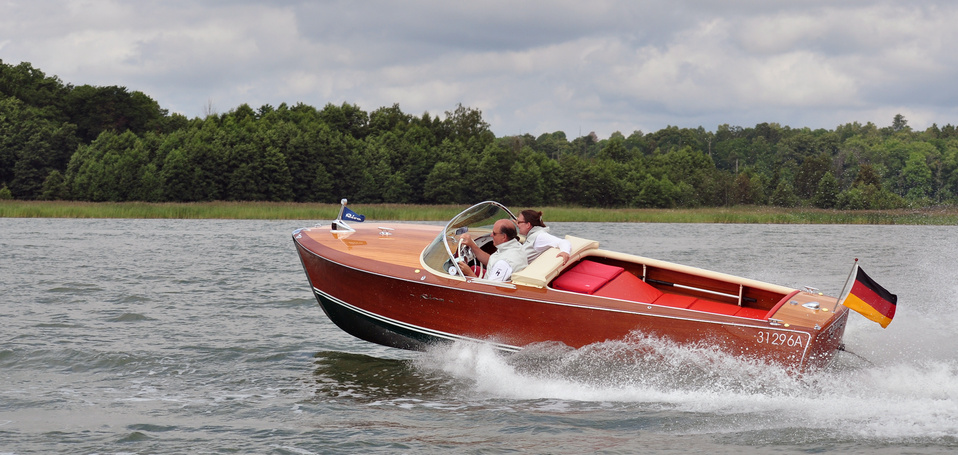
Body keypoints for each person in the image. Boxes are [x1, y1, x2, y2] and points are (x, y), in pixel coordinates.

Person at [457, 219, 527, 281]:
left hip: (489, 287)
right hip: (493, 283)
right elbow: (492, 261)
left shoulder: (504, 263)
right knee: (474, 268)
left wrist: (469, 273)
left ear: (504, 237)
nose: (491, 235)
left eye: (494, 233)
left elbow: (489, 288)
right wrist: (472, 245)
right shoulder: (517, 247)